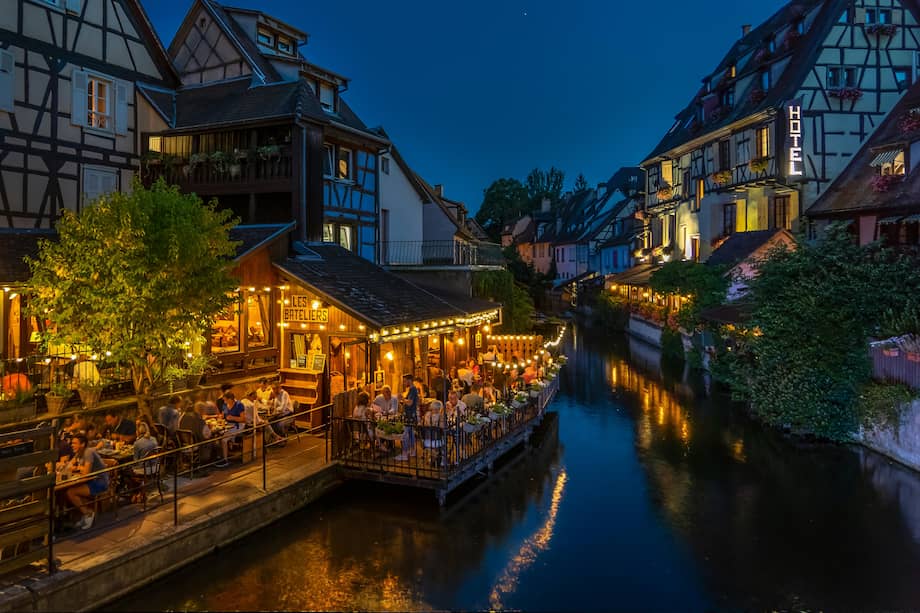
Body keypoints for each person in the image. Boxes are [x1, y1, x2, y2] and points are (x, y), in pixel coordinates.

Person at [64, 434, 109, 530]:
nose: (72, 445)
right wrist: (66, 466)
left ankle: (88, 513)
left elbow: (85, 473)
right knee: (65, 491)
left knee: (70, 492)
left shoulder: (88, 452)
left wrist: (76, 468)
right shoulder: (79, 453)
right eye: (72, 443)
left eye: (75, 443)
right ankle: (82, 515)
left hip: (99, 481)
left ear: (83, 444)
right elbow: (68, 466)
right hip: (90, 481)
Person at [128, 422, 159, 504]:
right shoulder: (154, 439)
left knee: (127, 471)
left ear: (138, 431)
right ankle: (141, 494)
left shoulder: (137, 443)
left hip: (145, 469)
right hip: (156, 467)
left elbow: (136, 461)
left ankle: (135, 494)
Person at [217, 392, 246, 467]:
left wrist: (233, 418)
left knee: (224, 440)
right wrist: (220, 418)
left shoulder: (239, 405)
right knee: (217, 436)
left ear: (230, 399)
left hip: (238, 425)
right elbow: (223, 415)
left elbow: (243, 419)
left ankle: (225, 460)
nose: (224, 402)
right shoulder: (225, 405)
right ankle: (222, 455)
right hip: (228, 425)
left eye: (225, 400)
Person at [396, 374, 419, 461]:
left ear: (409, 380)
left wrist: (402, 398)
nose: (404, 383)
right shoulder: (412, 390)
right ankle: (413, 450)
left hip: (409, 415)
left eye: (405, 381)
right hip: (410, 415)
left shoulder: (413, 390)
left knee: (405, 434)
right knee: (411, 433)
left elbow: (410, 403)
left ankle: (404, 453)